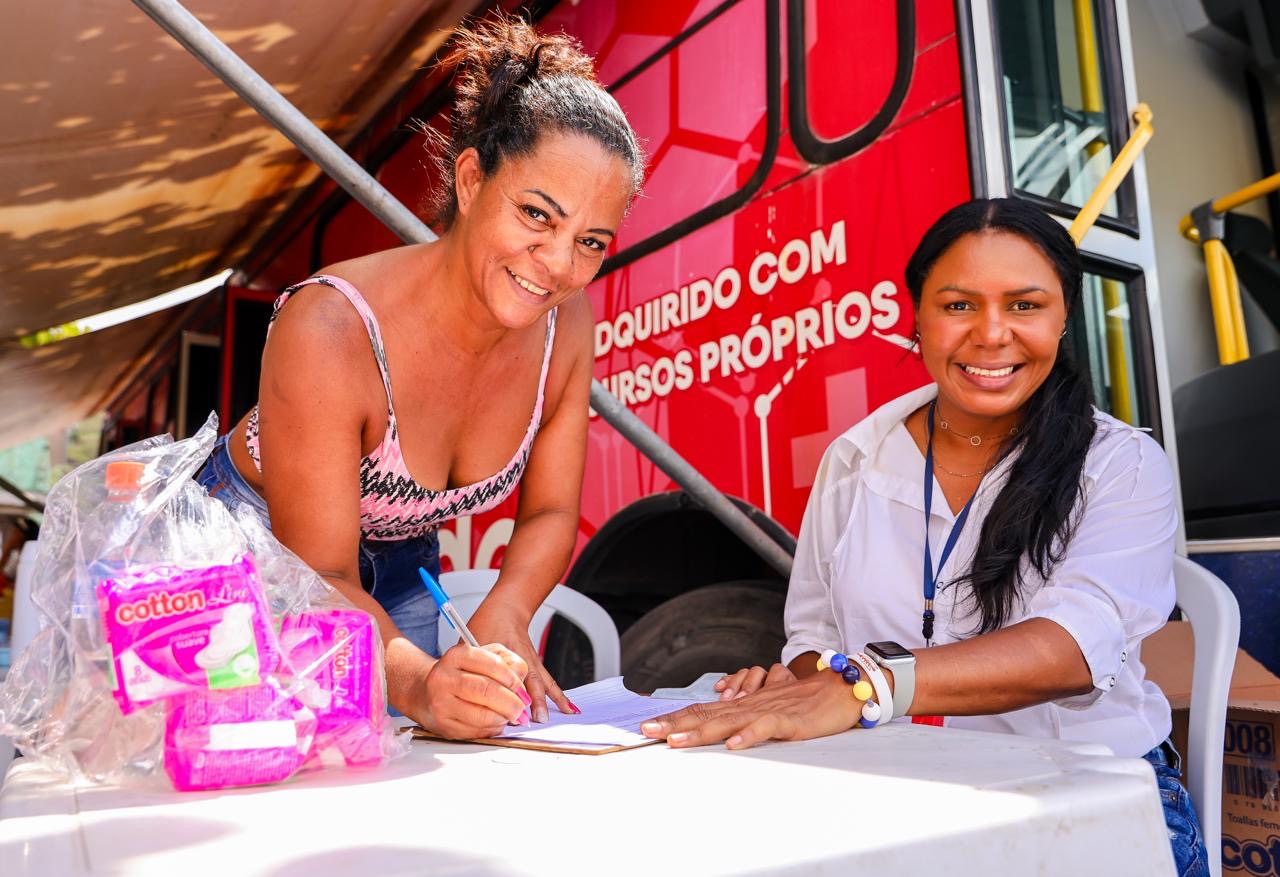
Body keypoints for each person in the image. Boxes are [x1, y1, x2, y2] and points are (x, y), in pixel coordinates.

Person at [641, 198, 1208, 876]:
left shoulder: (1120, 464)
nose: (992, 334)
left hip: (1090, 792)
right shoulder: (854, 459)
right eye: (959, 305)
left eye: (1025, 305)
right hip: (903, 784)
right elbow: (814, 640)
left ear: (1063, 317)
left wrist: (862, 686)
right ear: (916, 318)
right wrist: (796, 685)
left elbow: (1073, 647)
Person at [197, 15, 643, 739]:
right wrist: (420, 684)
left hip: (402, 566)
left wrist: (507, 608)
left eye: (589, 241)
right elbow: (321, 573)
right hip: (247, 561)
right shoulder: (330, 329)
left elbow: (553, 512)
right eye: (536, 214)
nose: (559, 265)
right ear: (471, 179)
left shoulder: (567, 325)